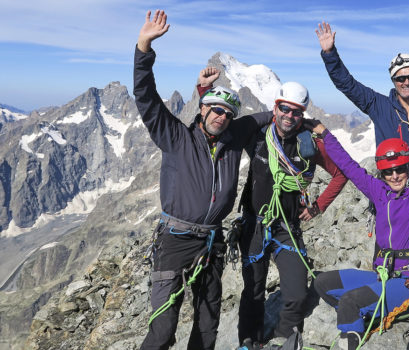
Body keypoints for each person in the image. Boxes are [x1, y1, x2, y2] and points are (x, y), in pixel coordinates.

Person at [134, 10, 272, 350]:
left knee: (208, 322)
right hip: (174, 241)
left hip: (212, 242)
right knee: (164, 327)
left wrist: (297, 116)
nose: (222, 117)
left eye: (228, 113)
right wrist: (143, 48)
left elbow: (264, 117)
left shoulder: (233, 135)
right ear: (203, 108)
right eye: (215, 109)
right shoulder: (175, 137)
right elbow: (146, 99)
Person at [311, 88, 409, 350]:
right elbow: (349, 166)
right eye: (387, 172)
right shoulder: (378, 192)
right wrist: (325, 134)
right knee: (323, 283)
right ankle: (368, 312)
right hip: (382, 276)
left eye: (399, 170)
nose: (394, 176)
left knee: (350, 301)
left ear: (408, 167)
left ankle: (354, 332)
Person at [198, 81, 348, 347]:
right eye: (284, 109)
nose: (289, 116)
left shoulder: (309, 145)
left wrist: (318, 206)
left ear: (303, 115)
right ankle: (249, 341)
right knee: (253, 292)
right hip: (253, 225)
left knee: (297, 293)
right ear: (275, 108)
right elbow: (223, 129)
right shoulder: (257, 136)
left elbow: (341, 172)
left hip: (287, 227)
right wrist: (204, 95)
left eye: (296, 112)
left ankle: (282, 338)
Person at [316, 22, 409, 293]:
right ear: (393, 82)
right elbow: (348, 85)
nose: (407, 82)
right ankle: (385, 301)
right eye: (401, 78)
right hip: (390, 197)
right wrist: (330, 54)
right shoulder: (380, 106)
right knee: (387, 254)